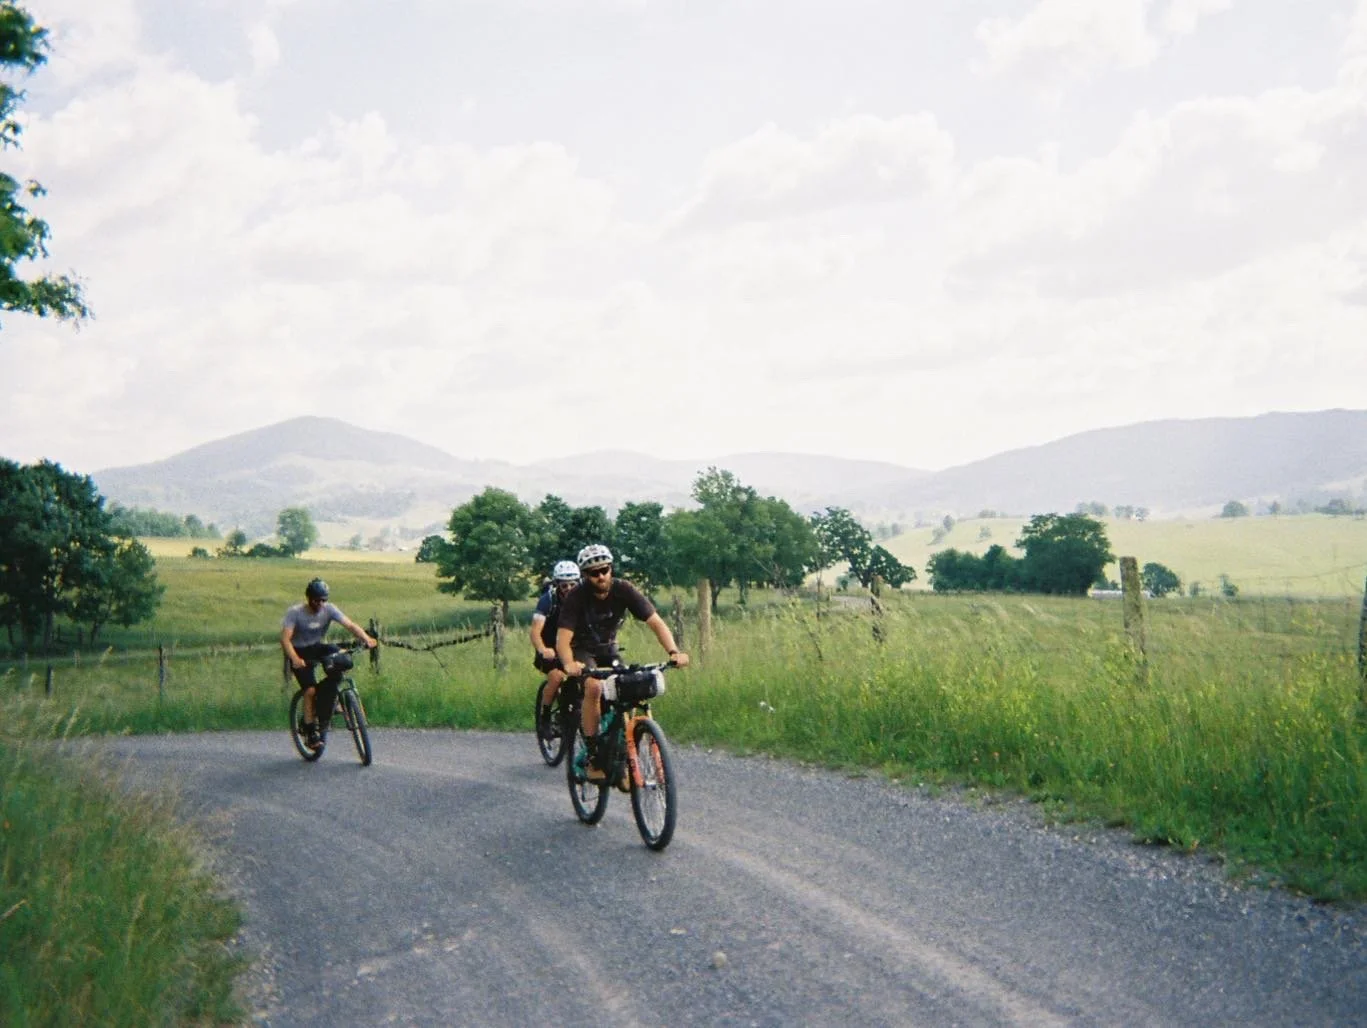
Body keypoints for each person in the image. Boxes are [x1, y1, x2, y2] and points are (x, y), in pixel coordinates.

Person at [555, 543, 688, 782]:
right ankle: (594, 756)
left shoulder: (624, 590)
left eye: (605, 570)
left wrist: (674, 651)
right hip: (581, 649)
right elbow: (563, 639)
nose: (601, 576)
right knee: (594, 686)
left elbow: (655, 622)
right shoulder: (576, 597)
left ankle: (624, 755)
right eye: (594, 573)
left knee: (628, 687)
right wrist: (568, 664)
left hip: (609, 648)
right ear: (585, 576)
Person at [281, 577, 375, 750]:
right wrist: (294, 658)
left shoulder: (329, 609)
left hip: (317, 647)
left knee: (338, 656)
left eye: (324, 600)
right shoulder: (295, 612)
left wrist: (366, 638)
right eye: (317, 600)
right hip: (299, 652)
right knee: (309, 690)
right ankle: (310, 732)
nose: (320, 604)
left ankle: (330, 698)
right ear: (309, 598)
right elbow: (285, 639)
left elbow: (350, 625)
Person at [531, 559, 581, 728]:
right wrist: (542, 649)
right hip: (550, 648)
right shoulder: (548, 600)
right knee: (557, 677)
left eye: (572, 584)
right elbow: (535, 631)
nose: (568, 589)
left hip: (572, 648)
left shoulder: (582, 599)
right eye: (564, 585)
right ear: (557, 584)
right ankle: (545, 715)